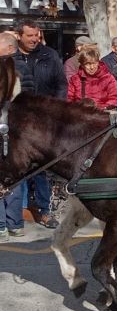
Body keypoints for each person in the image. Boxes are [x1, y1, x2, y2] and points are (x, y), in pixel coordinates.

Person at [13, 20, 65, 228]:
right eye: (29, 35)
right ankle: (20, 211)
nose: (35, 39)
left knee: (42, 167)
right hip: (17, 120)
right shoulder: (9, 57)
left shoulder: (50, 55)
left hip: (44, 120)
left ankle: (44, 210)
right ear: (18, 36)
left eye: (37, 35)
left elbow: (61, 85)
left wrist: (56, 110)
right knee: (19, 166)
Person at [0, 32, 33, 240]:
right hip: (16, 129)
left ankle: (2, 225)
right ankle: (14, 223)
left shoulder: (10, 68)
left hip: (8, 126)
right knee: (14, 177)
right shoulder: (22, 68)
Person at [67, 44, 117, 109]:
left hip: (101, 114)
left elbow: (114, 100)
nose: (92, 67)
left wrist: (99, 108)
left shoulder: (108, 78)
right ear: (82, 64)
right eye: (88, 64)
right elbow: (69, 100)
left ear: (98, 62)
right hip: (80, 114)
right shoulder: (75, 79)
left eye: (94, 63)